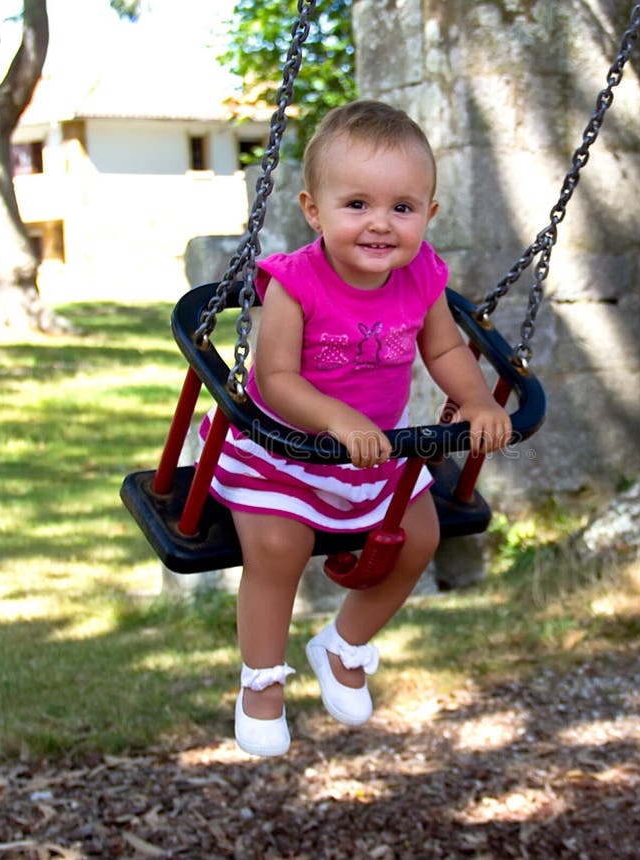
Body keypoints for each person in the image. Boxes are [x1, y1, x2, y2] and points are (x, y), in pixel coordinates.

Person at [199, 99, 513, 757]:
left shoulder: (422, 274)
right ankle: (260, 682)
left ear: (428, 215)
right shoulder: (294, 285)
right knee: (279, 548)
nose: (380, 224)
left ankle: (344, 645)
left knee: (418, 538)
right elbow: (277, 377)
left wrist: (479, 402)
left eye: (402, 208)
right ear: (314, 210)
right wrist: (337, 418)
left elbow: (447, 352)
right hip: (279, 449)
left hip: (371, 452)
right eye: (357, 205)